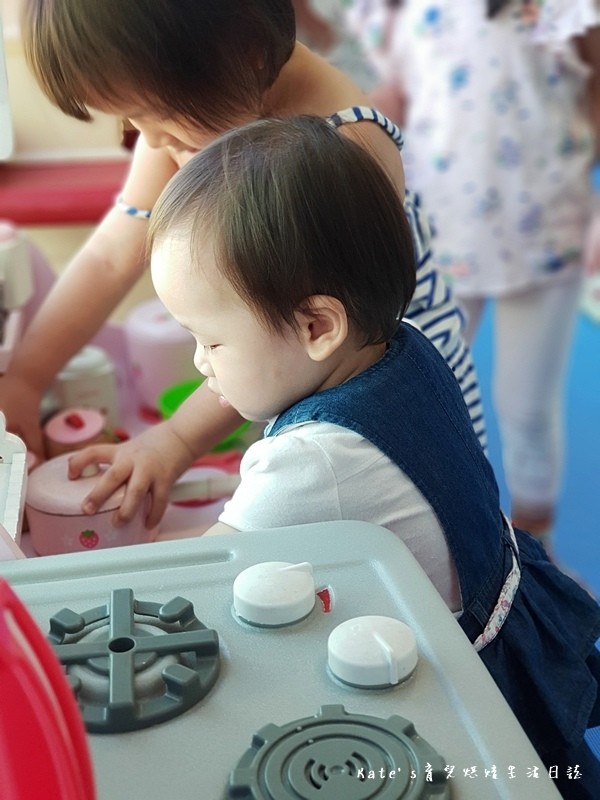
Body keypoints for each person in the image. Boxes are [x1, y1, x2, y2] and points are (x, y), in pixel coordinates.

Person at [76, 114, 600, 797]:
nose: (201, 363)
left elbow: (195, 582)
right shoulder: (405, 345)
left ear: (318, 326)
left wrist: (77, 565)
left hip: (454, 689)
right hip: (507, 612)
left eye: (211, 341)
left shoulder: (314, 461)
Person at [4, 0, 485, 493]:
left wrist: (176, 440)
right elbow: (111, 254)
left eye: (155, 114)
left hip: (393, 410)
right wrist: (25, 378)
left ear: (246, 51)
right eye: (131, 120)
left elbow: (284, 344)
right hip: (291, 376)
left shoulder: (348, 150)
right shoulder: (192, 109)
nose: (149, 140)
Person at [340, 0, 600, 545]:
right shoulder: (402, 10)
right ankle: (454, 535)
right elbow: (402, 96)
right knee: (428, 390)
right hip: (444, 232)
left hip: (547, 231)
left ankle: (536, 544)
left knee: (526, 406)